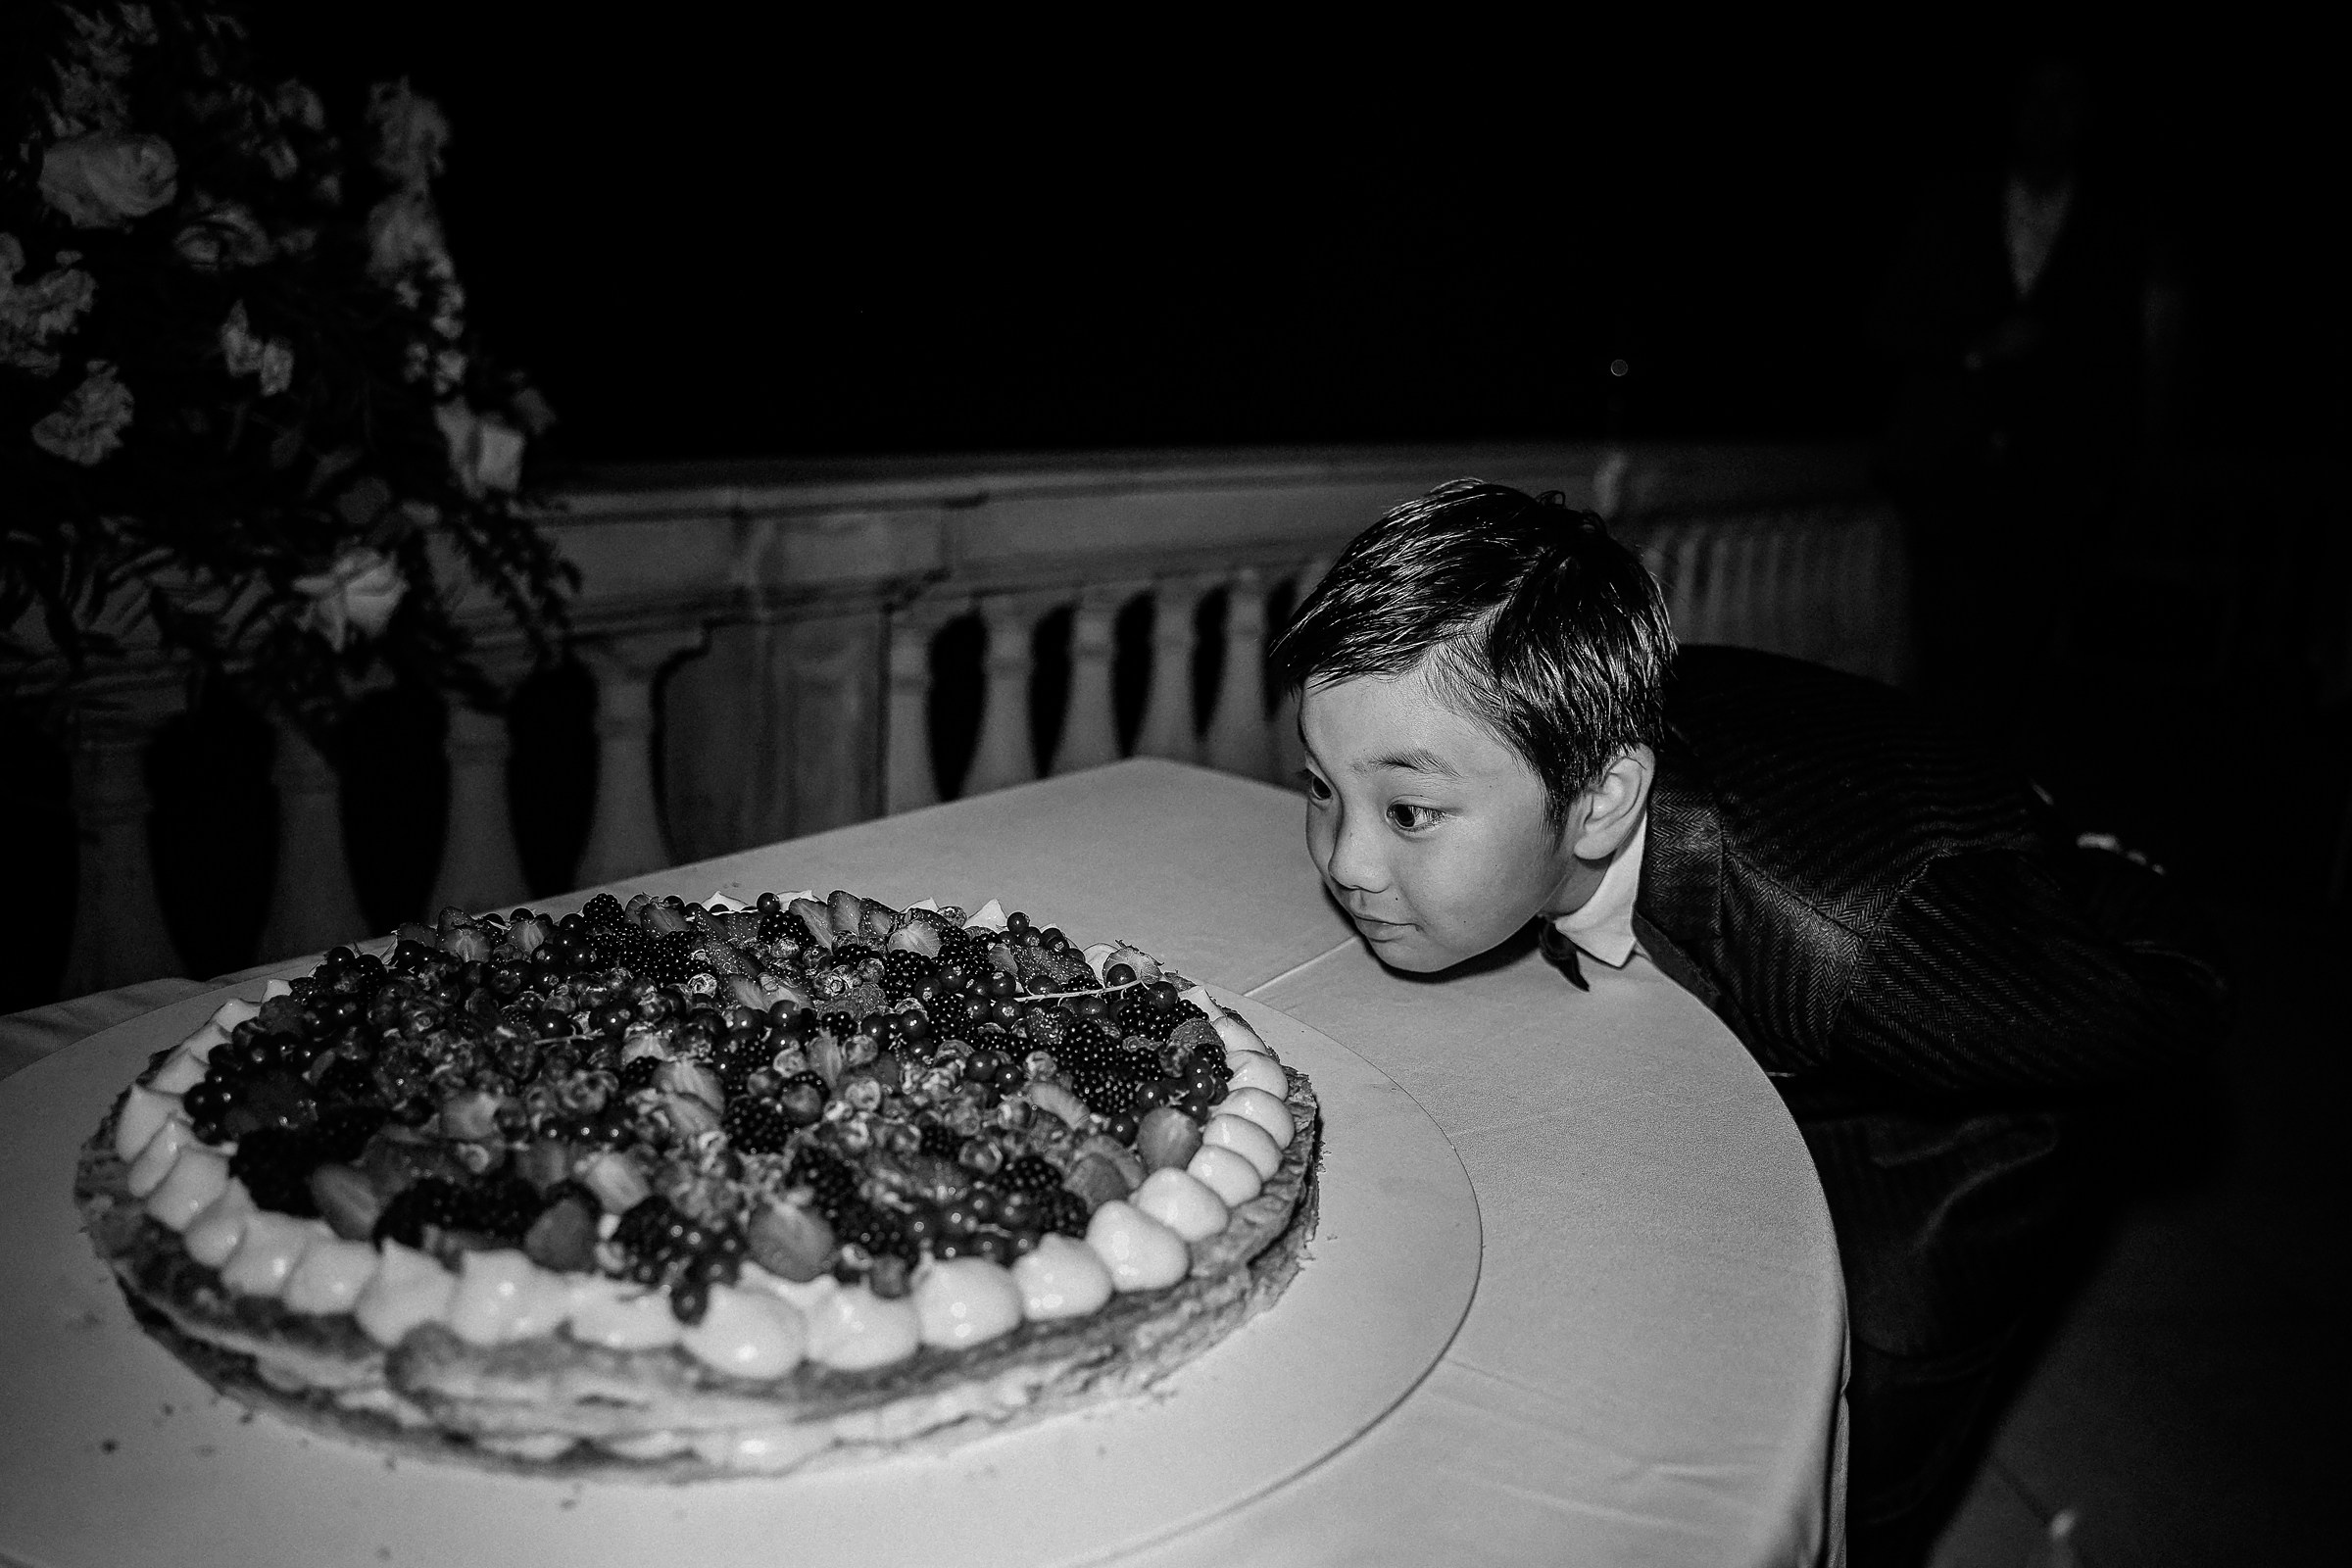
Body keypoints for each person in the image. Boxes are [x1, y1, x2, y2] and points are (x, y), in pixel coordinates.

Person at [1269, 480, 2230, 1565]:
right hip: (1843, 849)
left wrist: (2103, 865)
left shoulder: (1848, 944)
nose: (1346, 862)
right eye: (1318, 786)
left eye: (1407, 811)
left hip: (1943, 1112)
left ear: (1599, 800)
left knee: (1876, 1398)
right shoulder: (1583, 745)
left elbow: (2159, 1005)